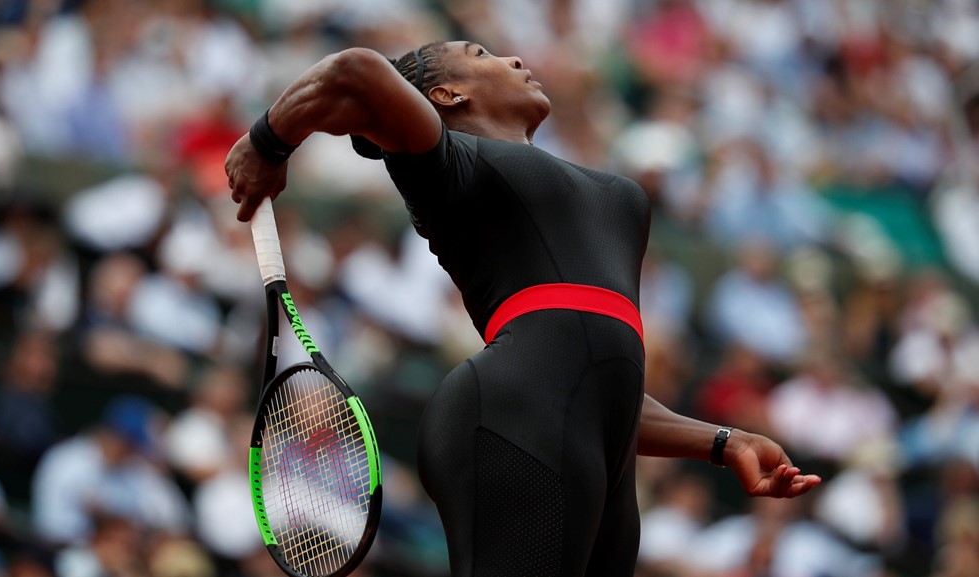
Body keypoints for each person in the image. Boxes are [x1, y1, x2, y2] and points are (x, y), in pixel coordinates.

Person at [225, 40, 821, 577]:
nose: (512, 59)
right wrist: (267, 142)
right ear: (445, 94)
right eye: (481, 54)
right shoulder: (446, 161)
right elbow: (353, 72)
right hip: (506, 415)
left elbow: (601, 377)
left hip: (590, 435)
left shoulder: (620, 201)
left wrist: (724, 441)